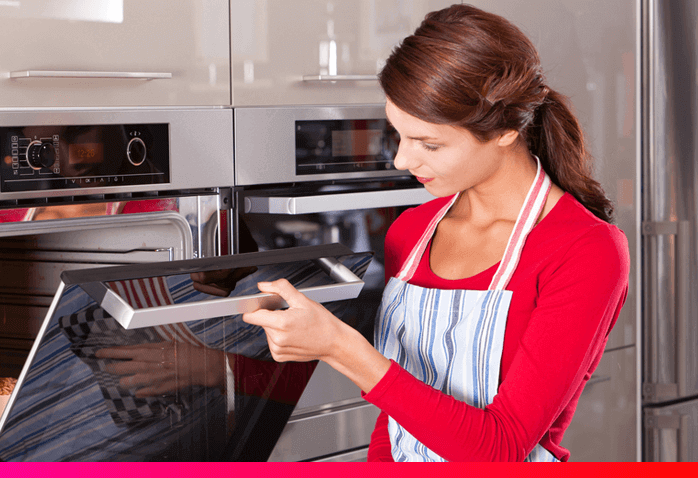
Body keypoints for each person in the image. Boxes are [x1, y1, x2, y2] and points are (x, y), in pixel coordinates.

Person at [242, 4, 629, 462]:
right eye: (397, 136)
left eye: (430, 144)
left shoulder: (584, 250)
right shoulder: (412, 231)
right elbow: (397, 419)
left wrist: (341, 347)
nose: (402, 161)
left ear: (505, 130)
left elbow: (500, 450)